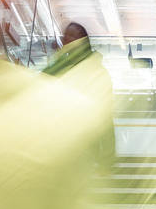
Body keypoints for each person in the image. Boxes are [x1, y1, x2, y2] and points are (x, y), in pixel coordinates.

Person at [45, 22, 116, 166]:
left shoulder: (97, 71)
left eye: (72, 37)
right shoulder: (64, 63)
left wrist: (108, 158)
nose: (67, 40)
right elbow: (45, 78)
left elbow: (106, 119)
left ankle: (104, 162)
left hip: (86, 128)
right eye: (66, 36)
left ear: (83, 42)